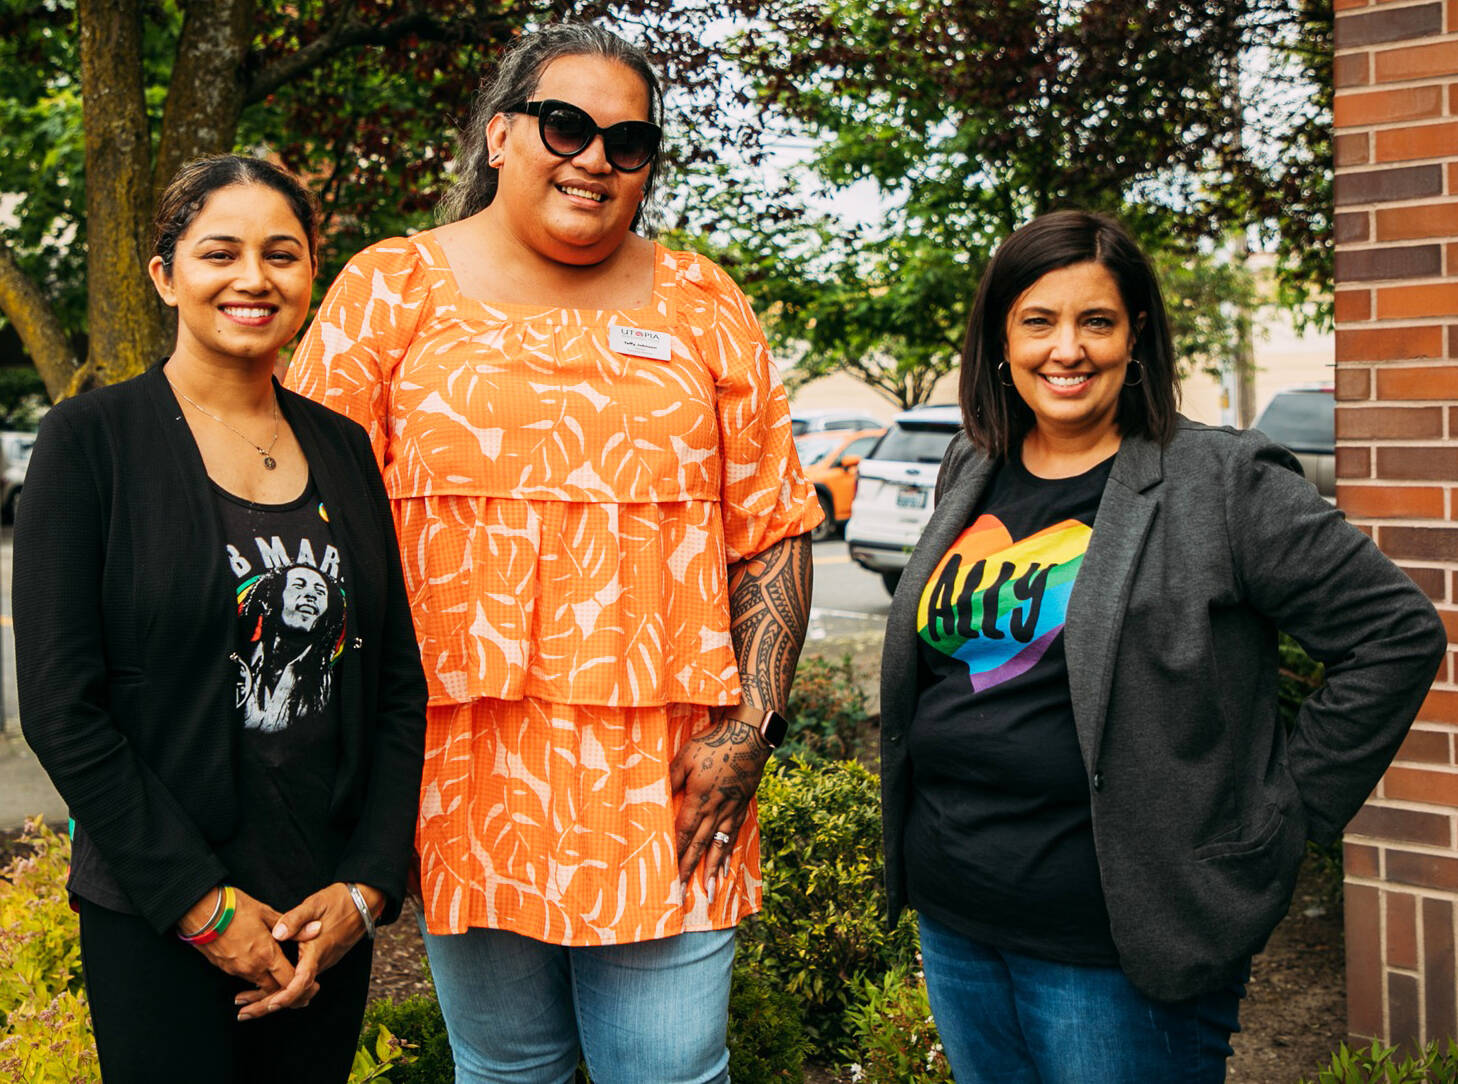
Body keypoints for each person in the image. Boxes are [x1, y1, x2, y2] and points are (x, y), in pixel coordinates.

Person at [285, 22, 820, 1084]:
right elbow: (310, 535)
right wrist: (353, 783)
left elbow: (772, 526)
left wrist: (750, 726)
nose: (595, 158)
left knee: (669, 1071)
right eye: (565, 124)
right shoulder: (391, 291)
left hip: (667, 782)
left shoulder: (704, 303)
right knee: (506, 1074)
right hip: (460, 776)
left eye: (629, 142)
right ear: (498, 132)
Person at [878, 209, 1447, 1083]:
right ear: (1000, 336)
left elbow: (1395, 635)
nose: (1066, 349)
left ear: (1135, 337)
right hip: (957, 914)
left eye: (1095, 321)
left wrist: (1282, 816)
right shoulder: (974, 463)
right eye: (1038, 321)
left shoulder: (1221, 482)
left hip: (1117, 943)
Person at [14, 154, 427, 1083]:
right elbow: (61, 707)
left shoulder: (344, 447)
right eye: (218, 253)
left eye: (282, 254)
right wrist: (200, 905)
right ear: (165, 275)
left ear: (310, 272)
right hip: (160, 908)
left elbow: (397, 683)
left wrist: (367, 884)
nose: (253, 278)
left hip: (323, 911)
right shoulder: (90, 444)